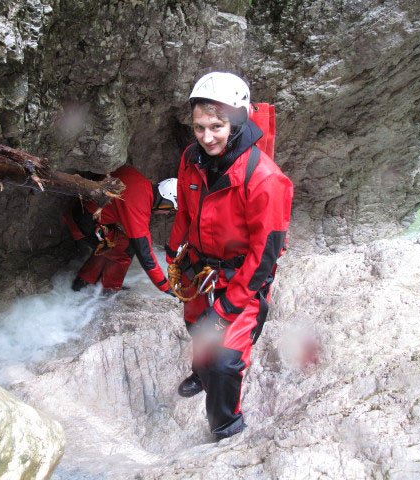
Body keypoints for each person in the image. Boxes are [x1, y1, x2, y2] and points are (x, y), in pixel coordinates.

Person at [165, 72, 293, 440]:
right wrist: (175, 256)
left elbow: (264, 256)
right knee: (197, 327)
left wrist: (226, 310)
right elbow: (186, 212)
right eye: (199, 127)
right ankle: (200, 374)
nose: (207, 138)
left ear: (238, 120)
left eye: (217, 127)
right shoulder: (192, 159)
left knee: (223, 360)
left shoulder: (266, 180)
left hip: (241, 277)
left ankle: (226, 427)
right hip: (200, 266)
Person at [64, 165, 177, 294]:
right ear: (165, 201)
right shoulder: (139, 207)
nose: (167, 213)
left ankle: (83, 282)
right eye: (170, 209)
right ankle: (108, 290)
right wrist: (164, 286)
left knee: (115, 245)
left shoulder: (137, 177)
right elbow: (145, 254)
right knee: (126, 249)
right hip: (83, 222)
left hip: (80, 208)